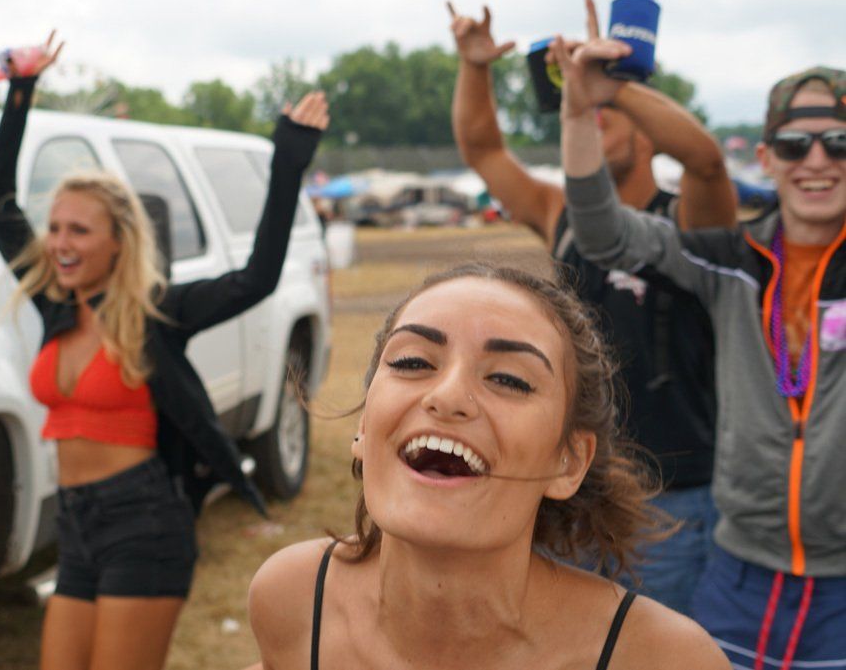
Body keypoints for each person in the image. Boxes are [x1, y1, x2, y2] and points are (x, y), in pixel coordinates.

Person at [0, 34, 329, 670]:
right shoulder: (57, 307)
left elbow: (257, 279)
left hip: (144, 521)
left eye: (78, 230)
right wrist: (20, 92)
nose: (58, 242)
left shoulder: (157, 312)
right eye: (54, 227)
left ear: (118, 242)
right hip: (76, 524)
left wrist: (288, 164)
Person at [249, 262, 729, 670]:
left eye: (508, 379)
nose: (448, 396)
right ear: (363, 428)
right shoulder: (292, 598)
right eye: (413, 362)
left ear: (569, 462)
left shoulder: (660, 658)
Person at [555, 21, 846, 667]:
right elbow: (602, 234)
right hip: (736, 574)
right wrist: (582, 107)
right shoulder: (730, 263)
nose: (818, 161)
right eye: (796, 144)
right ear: (767, 158)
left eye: (839, 144)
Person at [447, 0, 737, 615]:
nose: (593, 121)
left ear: (644, 125)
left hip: (676, 497)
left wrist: (614, 87)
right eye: (585, 115)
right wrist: (475, 68)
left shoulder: (690, 221)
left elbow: (706, 160)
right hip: (575, 481)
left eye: (610, 114)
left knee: (664, 649)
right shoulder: (563, 214)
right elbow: (483, 150)